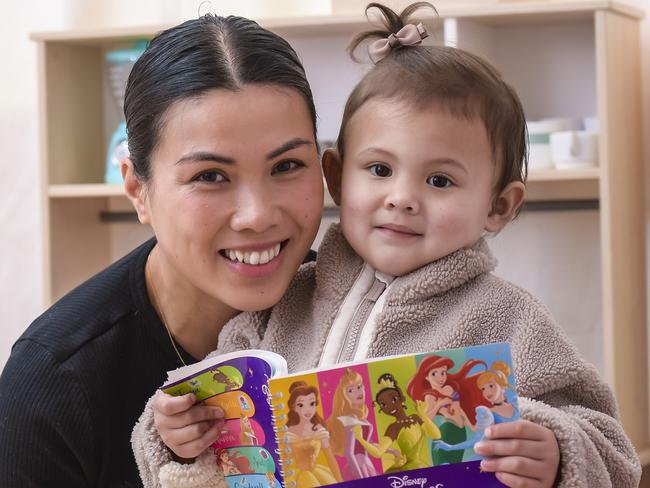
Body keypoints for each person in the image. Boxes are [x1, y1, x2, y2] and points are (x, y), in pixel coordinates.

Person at [135, 2, 641, 487]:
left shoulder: (507, 318)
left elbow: (614, 454)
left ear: (499, 206)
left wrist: (555, 453)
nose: (402, 199)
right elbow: (196, 421)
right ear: (335, 176)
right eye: (379, 170)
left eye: (440, 181)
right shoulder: (281, 305)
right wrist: (175, 435)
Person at [0, 11, 324, 488]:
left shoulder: (363, 314)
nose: (257, 215)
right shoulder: (55, 382)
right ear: (137, 190)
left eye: (287, 165)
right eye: (210, 176)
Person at [352, 373, 441, 472]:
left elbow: (436, 435)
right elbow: (378, 453)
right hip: (409, 468)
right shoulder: (394, 428)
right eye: (383, 404)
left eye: (394, 399)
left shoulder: (416, 418)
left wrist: (423, 415)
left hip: (422, 466)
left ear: (401, 398)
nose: (390, 406)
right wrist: (360, 439)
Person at [406, 356, 487, 465]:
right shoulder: (430, 396)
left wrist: (471, 425)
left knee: (457, 465)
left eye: (443, 373)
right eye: (434, 373)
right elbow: (425, 420)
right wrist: (439, 404)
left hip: (460, 432)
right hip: (447, 431)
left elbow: (459, 410)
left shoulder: (449, 389)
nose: (440, 377)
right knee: (444, 465)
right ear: (426, 377)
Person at [281, 381, 343, 487]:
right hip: (298, 476)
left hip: (317, 472)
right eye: (301, 404)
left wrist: (342, 482)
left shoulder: (318, 429)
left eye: (311, 403)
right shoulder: (289, 432)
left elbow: (330, 458)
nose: (307, 409)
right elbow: (285, 462)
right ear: (294, 406)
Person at [325, 368, 378, 480]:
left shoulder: (361, 418)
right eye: (350, 390)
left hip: (365, 464)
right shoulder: (350, 418)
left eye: (359, 387)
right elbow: (349, 453)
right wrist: (360, 477)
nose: (357, 392)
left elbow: (367, 445)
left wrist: (390, 450)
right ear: (344, 396)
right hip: (359, 467)